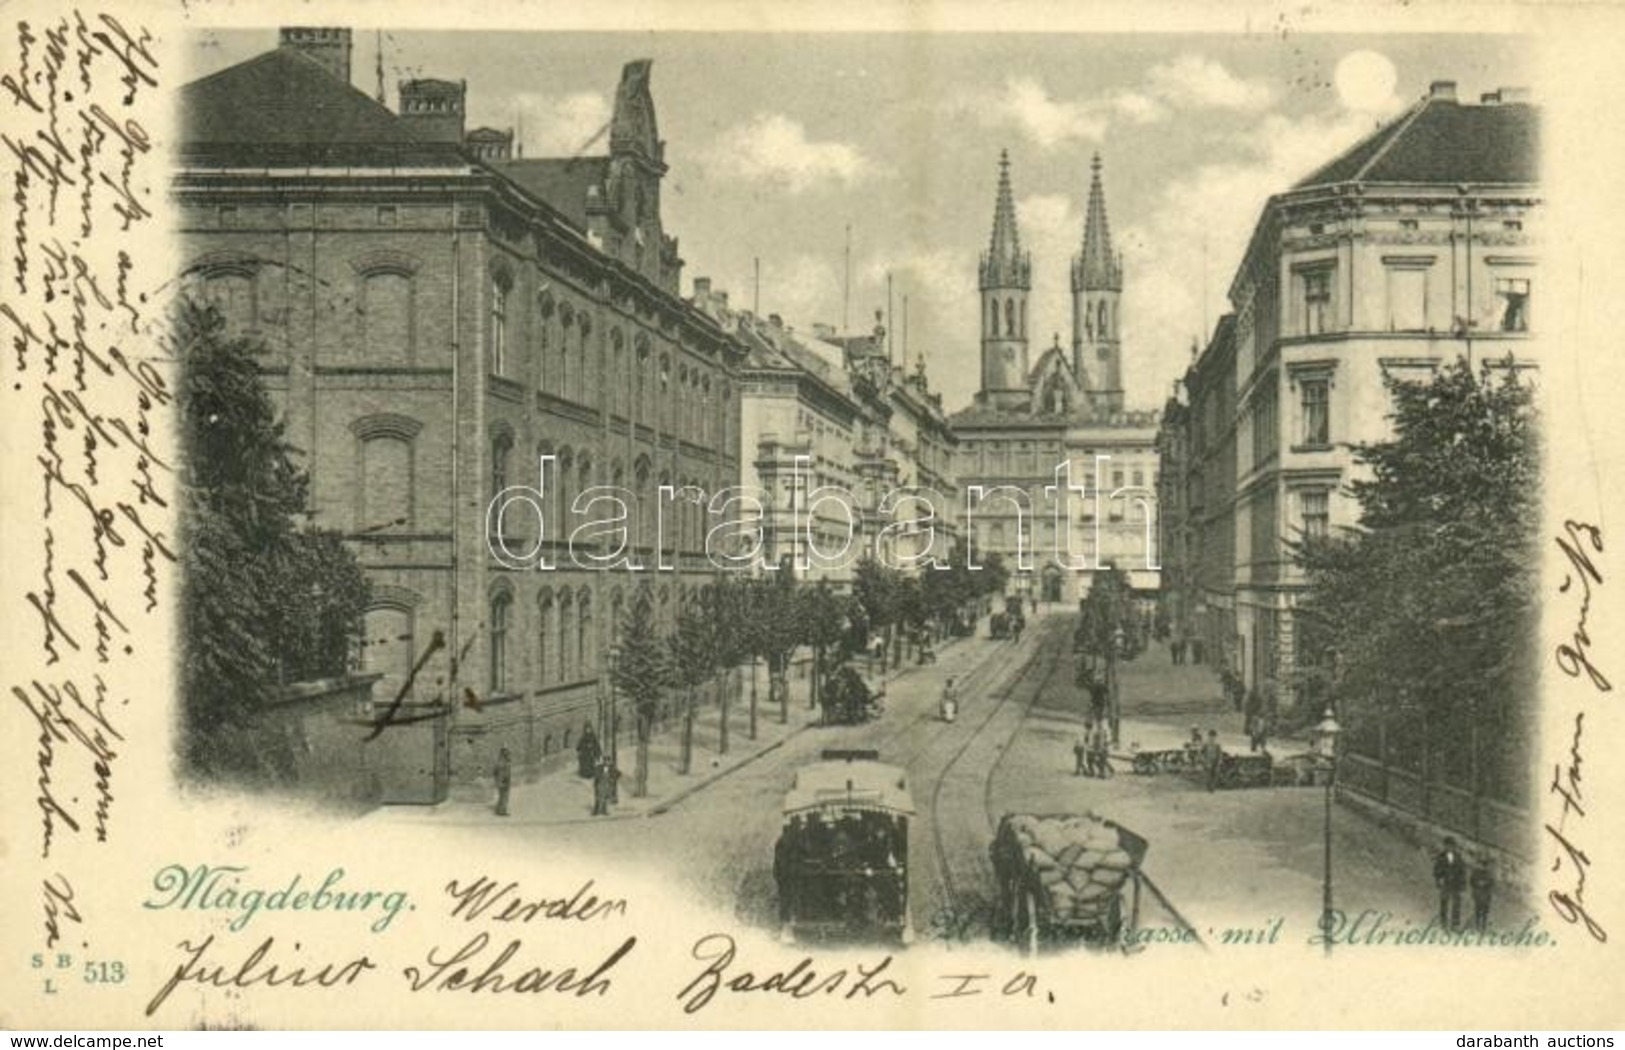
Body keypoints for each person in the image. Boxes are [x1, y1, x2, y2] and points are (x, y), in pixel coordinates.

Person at [1434, 836, 1468, 930]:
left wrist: (1463, 884)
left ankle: (1455, 924)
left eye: (1451, 846)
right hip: (1446, 882)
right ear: (1445, 846)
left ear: (1454, 846)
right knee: (1444, 902)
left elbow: (1462, 870)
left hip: (1456, 884)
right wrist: (1438, 880)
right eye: (1447, 846)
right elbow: (1437, 869)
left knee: (1456, 904)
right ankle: (1443, 922)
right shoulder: (1441, 857)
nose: (1449, 848)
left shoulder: (1458, 857)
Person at [1470, 855, 1495, 932]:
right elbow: (1471, 881)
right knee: (1478, 910)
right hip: (1478, 894)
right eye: (1481, 865)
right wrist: (1478, 884)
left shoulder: (1489, 874)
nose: (1483, 867)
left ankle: (1483, 926)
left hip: (1486, 895)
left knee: (1485, 911)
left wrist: (1486, 884)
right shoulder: (1475, 873)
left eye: (1485, 865)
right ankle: (1477, 925)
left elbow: (1492, 883)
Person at [493, 746, 512, 817]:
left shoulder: (504, 760)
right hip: (503, 781)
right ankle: (501, 811)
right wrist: (499, 780)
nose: (507, 753)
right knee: (503, 796)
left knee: (503, 796)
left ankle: (500, 810)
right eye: (506, 752)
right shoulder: (502, 762)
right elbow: (496, 771)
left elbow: (495, 772)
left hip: (504, 780)